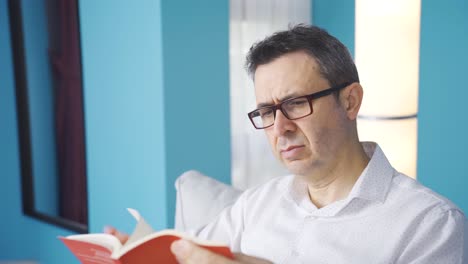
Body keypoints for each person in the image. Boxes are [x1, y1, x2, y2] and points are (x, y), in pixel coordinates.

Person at [107, 24, 465, 263]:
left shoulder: (430, 225)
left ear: (351, 101)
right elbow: (183, 253)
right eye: (266, 110)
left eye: (295, 104)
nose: (280, 127)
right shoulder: (255, 205)